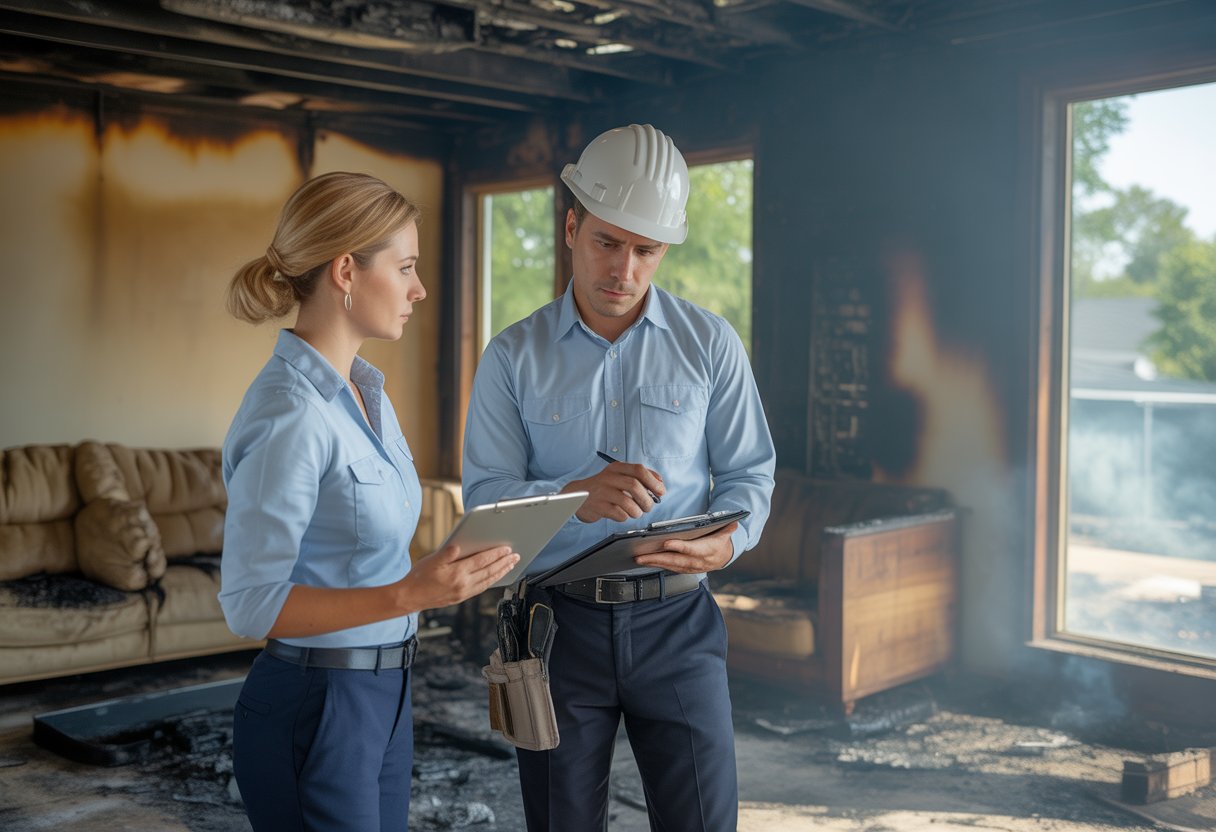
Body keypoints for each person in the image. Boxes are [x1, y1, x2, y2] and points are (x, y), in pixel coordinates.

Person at [463, 124, 776, 830]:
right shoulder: (512, 357)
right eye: (607, 241)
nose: (624, 269)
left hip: (680, 624)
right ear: (573, 227)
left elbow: (750, 473)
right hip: (556, 628)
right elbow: (484, 502)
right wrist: (575, 500)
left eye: (646, 250)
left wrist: (728, 544)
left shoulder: (711, 345)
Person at [219, 171, 519, 832]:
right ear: (346, 270)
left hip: (383, 693)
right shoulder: (290, 412)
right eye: (406, 266)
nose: (420, 288)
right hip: (317, 701)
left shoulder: (365, 394)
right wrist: (409, 595)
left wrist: (443, 574)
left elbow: (365, 548)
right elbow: (248, 602)